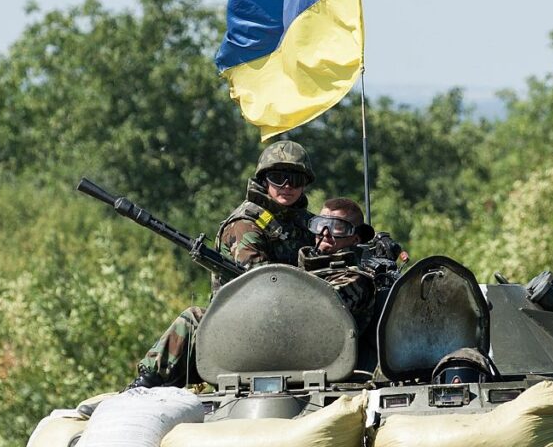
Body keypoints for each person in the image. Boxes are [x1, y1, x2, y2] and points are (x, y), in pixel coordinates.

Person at [127, 142, 381, 388]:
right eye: (278, 178)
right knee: (193, 319)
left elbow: (341, 250)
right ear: (264, 180)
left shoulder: (307, 224)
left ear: (305, 183)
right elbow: (263, 292)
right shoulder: (245, 225)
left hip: (301, 333)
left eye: (295, 179)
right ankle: (148, 382)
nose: (287, 186)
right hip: (251, 321)